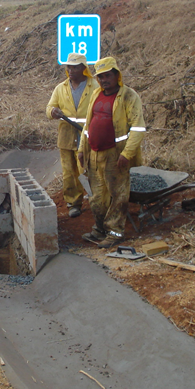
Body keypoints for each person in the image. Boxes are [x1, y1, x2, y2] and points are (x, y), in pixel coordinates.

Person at [77, 56, 146, 249]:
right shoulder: (96, 95)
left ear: (117, 75)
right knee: (97, 196)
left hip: (115, 156)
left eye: (107, 76)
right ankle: (100, 229)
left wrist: (127, 154)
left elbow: (138, 128)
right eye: (100, 77)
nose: (104, 80)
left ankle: (115, 231)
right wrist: (82, 149)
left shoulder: (128, 96)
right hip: (94, 154)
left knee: (118, 195)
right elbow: (88, 125)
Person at [46, 53, 98, 218]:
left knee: (88, 170)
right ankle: (73, 203)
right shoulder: (61, 88)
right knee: (69, 173)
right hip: (67, 137)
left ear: (84, 68)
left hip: (87, 136)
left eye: (75, 67)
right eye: (69, 67)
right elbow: (49, 108)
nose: (71, 70)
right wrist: (52, 112)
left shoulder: (95, 86)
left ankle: (96, 201)